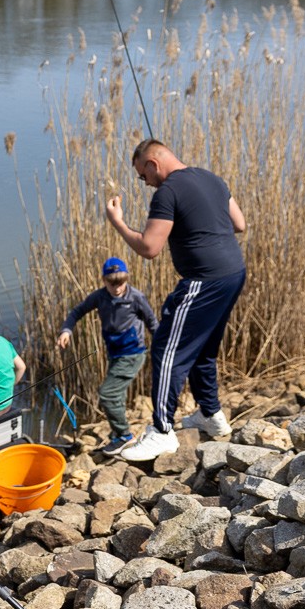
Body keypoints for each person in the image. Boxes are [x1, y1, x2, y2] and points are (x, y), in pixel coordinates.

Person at [104, 139, 247, 461]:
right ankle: (211, 415)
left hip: (203, 281)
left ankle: (162, 431)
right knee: (202, 349)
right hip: (233, 273)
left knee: (167, 349)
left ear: (152, 164)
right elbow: (239, 224)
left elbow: (149, 248)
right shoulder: (212, 178)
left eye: (143, 175)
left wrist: (118, 222)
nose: (144, 182)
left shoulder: (167, 192)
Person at [56, 256, 157, 456]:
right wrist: (66, 330)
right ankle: (118, 434)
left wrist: (162, 347)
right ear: (104, 281)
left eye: (121, 283)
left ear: (126, 279)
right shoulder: (100, 297)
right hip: (114, 353)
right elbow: (77, 312)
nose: (117, 288)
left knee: (107, 394)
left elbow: (153, 323)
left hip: (133, 353)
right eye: (112, 284)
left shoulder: (135, 297)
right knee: (116, 395)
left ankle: (124, 436)